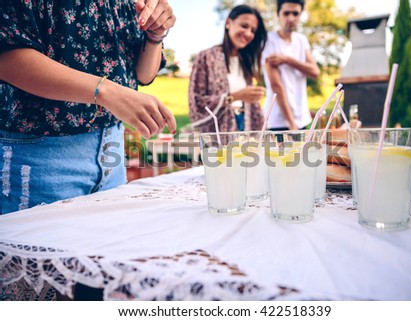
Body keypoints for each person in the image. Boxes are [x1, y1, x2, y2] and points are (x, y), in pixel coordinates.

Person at [0, 0, 177, 214]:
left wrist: (155, 35)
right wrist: (107, 92)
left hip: (112, 150)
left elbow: (143, 74)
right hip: (40, 157)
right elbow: (6, 56)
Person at [189, 5, 267, 133]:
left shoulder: (246, 62)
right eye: (244, 26)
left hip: (244, 126)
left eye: (253, 30)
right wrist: (235, 96)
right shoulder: (206, 57)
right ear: (228, 23)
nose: (248, 33)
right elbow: (196, 102)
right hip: (217, 131)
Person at [262, 0, 320, 131]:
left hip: (302, 119)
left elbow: (315, 71)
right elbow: (276, 85)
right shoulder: (268, 40)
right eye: (286, 13)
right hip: (278, 122)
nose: (291, 18)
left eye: (295, 14)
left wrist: (288, 60)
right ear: (278, 14)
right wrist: (291, 123)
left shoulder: (301, 40)